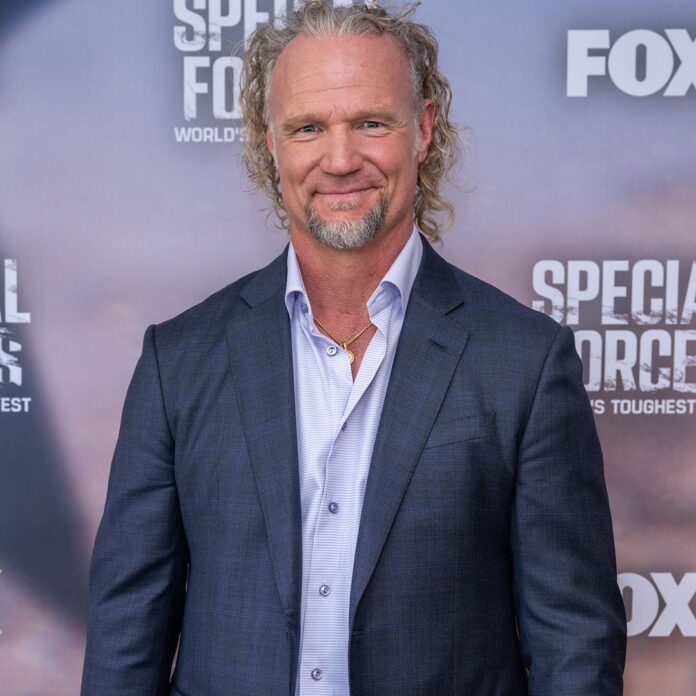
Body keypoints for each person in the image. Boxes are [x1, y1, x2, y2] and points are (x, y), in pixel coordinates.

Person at [81, 2, 627, 694]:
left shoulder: (525, 362)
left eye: (371, 123)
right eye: (308, 127)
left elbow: (575, 644)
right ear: (270, 142)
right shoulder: (178, 362)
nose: (340, 161)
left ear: (423, 129)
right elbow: (125, 639)